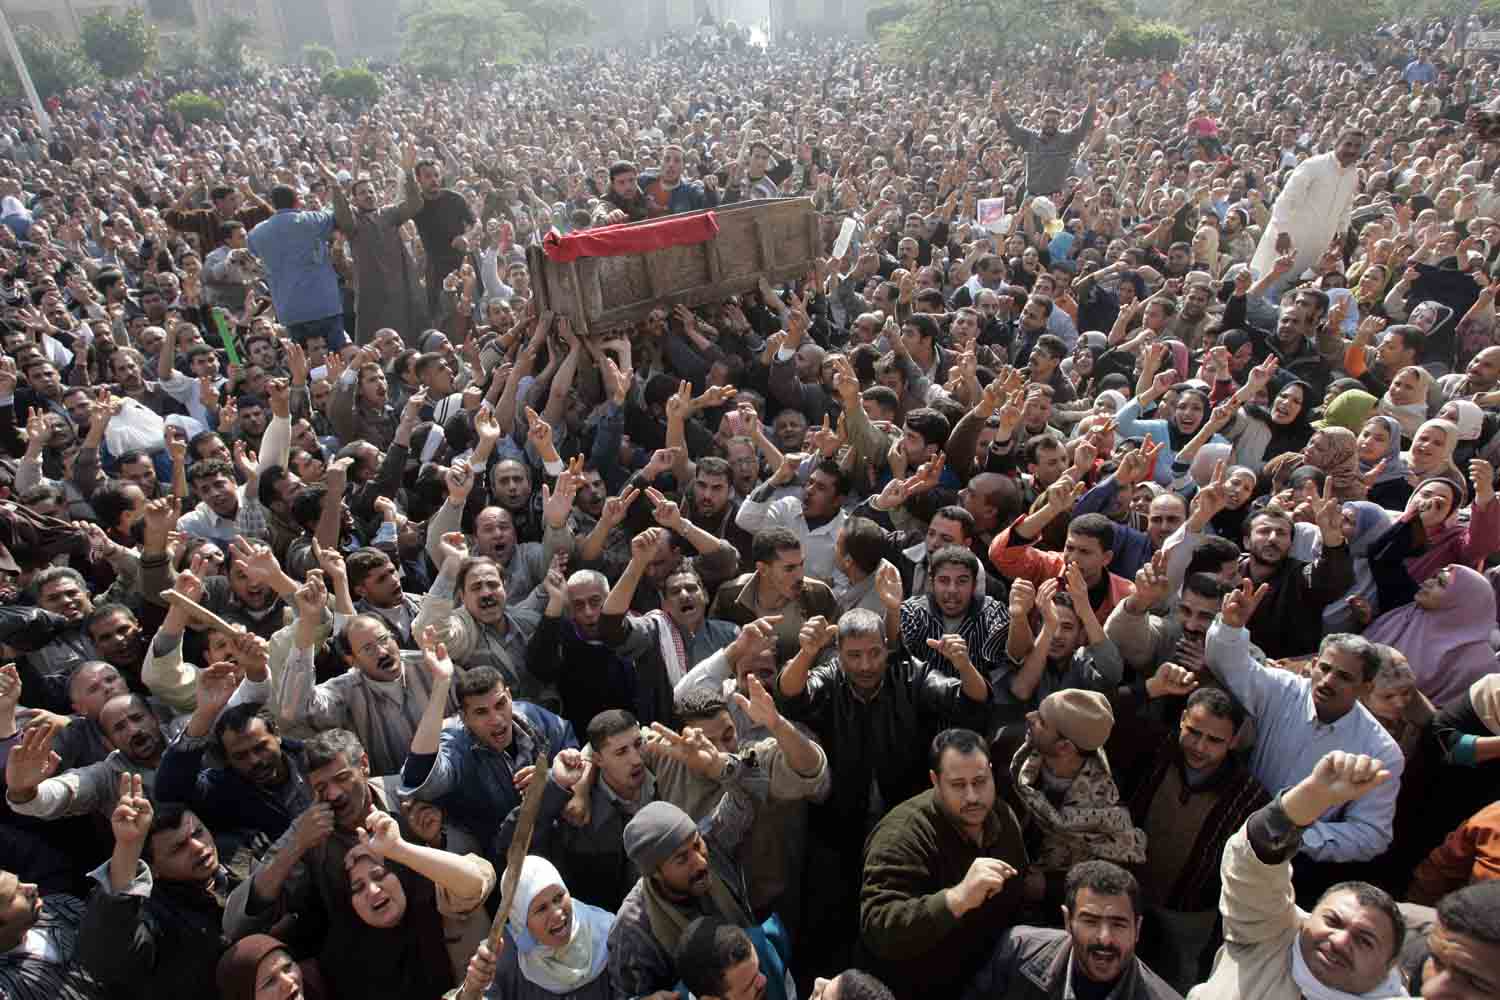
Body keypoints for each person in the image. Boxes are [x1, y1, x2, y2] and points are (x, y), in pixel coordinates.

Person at [1207, 582, 1404, 865]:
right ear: (1313, 665)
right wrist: (1231, 627)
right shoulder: (1284, 689)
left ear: (1365, 688)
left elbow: (1371, 835)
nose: (1327, 682)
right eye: (1324, 668)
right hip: (1228, 823)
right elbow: (1231, 667)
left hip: (1290, 862)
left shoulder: (1380, 751)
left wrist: (1293, 833)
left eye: (1344, 677)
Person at [1188, 751, 1408, 1000]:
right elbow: (1251, 864)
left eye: (1364, 940)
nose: (1339, 941)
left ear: (1389, 966)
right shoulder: (1271, 935)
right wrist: (1312, 797)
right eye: (1332, 921)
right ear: (1307, 919)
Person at [856, 728, 1028, 1000]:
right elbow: (879, 927)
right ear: (935, 781)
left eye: (980, 781)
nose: (972, 796)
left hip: (984, 979)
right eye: (958, 785)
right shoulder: (902, 835)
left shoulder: (1003, 819)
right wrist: (956, 899)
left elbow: (1017, 903)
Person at [1009, 690, 1146, 914]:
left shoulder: (1107, 804)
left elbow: (1115, 876)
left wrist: (1050, 886)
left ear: (1065, 748)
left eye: (1041, 721)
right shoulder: (1013, 754)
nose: (1029, 717)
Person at [962, 861, 1182, 1000]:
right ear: (1067, 921)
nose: (1104, 939)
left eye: (1118, 924)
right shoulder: (1017, 950)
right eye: (1090, 921)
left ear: (1138, 929)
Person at [456, 855, 615, 1000]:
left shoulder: (606, 933)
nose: (558, 913)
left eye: (559, 897)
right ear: (521, 921)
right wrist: (472, 990)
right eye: (541, 909)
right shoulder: (503, 952)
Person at [1250, 128, 1366, 284]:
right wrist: (1282, 232)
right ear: (1337, 143)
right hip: (1289, 238)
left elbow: (1345, 208)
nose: (1352, 150)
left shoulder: (1353, 175)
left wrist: (1343, 233)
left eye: (1357, 146)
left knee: (1296, 287)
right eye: (1348, 144)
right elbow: (1286, 200)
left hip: (1317, 244)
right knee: (1266, 282)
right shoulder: (1314, 165)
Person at [247, 186, 346, 351]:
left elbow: (253, 255)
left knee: (305, 364)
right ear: (298, 201)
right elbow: (339, 217)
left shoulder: (256, 233)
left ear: (272, 203)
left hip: (290, 311)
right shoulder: (311, 219)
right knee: (337, 358)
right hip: (324, 306)